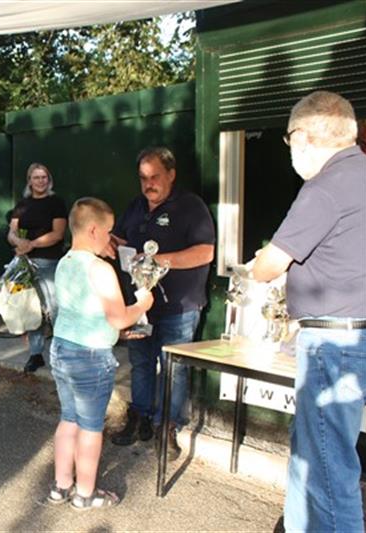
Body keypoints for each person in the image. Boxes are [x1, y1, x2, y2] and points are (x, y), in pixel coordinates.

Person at [251, 91, 366, 532]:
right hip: (356, 334)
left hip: (334, 342)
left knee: (327, 473)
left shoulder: (325, 187)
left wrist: (261, 261)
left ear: (303, 136)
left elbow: (269, 266)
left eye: (289, 140)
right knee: (311, 456)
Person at [105, 147, 215, 461]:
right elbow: (123, 240)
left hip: (179, 307)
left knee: (173, 370)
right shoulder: (136, 206)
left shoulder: (190, 206)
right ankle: (140, 416)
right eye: (143, 178)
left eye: (154, 177)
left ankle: (168, 426)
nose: (148, 184)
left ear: (171, 174)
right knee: (140, 362)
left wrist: (157, 261)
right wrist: (111, 243)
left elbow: (205, 252)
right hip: (141, 306)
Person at [48, 198, 153, 510]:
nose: (111, 240)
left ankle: (61, 486)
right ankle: (85, 494)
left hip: (62, 349)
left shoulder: (65, 262)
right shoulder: (100, 269)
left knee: (69, 419)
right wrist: (143, 304)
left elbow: (84, 312)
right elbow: (119, 317)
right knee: (91, 427)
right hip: (91, 358)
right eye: (108, 232)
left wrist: (115, 332)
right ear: (94, 230)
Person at [7, 163, 68, 373]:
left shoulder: (56, 203)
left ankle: (62, 355)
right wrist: (18, 242)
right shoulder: (22, 205)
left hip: (49, 262)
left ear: (48, 180)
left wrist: (30, 244)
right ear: (29, 181)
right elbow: (11, 232)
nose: (40, 181)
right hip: (25, 265)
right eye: (36, 177)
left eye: (43, 177)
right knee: (30, 309)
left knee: (55, 308)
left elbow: (58, 234)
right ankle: (36, 354)